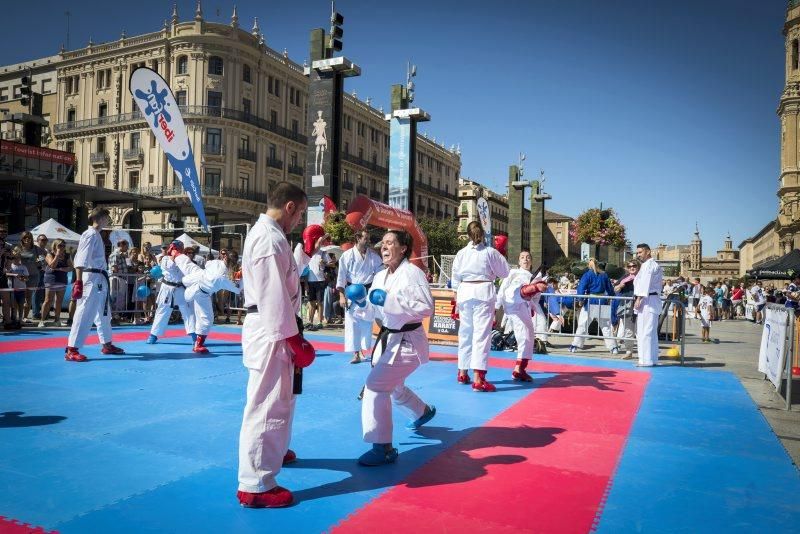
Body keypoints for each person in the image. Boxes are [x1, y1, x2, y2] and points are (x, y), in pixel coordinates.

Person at [237, 182, 316, 508]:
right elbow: (273, 296)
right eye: (298, 216)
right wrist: (293, 338)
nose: (297, 223)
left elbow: (286, 281)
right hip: (272, 328)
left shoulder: (272, 236)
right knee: (267, 404)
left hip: (274, 326)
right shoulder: (269, 239)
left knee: (281, 398)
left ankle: (277, 448)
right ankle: (255, 484)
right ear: (290, 208)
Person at [357, 229, 436, 466]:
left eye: (390, 243)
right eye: (383, 243)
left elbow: (426, 307)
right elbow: (373, 310)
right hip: (389, 340)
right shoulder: (381, 276)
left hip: (408, 342)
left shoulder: (412, 273)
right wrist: (362, 302)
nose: (384, 246)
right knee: (393, 386)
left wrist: (390, 301)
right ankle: (422, 412)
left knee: (375, 386)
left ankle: (383, 447)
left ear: (403, 249)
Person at [451, 221, 510, 391]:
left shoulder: (461, 253)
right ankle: (479, 378)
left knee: (466, 333)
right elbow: (504, 272)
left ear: (467, 235)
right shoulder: (490, 252)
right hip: (483, 292)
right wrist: (501, 252)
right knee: (481, 335)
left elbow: (455, 279)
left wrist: (456, 300)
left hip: (464, 293)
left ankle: (462, 372)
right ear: (482, 234)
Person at [65, 208, 126, 362]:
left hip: (99, 278)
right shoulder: (90, 234)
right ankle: (72, 349)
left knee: (104, 313)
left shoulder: (97, 234)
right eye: (107, 218)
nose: (109, 221)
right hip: (91, 277)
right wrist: (78, 281)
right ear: (100, 218)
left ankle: (107, 344)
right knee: (85, 312)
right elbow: (81, 259)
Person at [169, 252, 240, 353]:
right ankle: (198, 344)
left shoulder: (215, 262)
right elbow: (235, 289)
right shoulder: (222, 277)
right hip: (201, 293)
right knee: (207, 318)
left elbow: (207, 264)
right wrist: (240, 286)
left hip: (197, 278)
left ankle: (177, 254)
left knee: (190, 267)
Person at [496, 250, 548, 381]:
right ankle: (519, 370)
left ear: (531, 261)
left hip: (524, 305)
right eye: (522, 258)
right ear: (519, 261)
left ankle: (521, 368)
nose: (525, 259)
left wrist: (532, 307)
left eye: (528, 257)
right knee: (523, 334)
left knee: (528, 334)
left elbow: (535, 299)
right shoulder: (513, 272)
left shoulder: (536, 278)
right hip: (512, 301)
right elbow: (502, 290)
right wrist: (496, 308)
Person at [337, 230, 384, 364]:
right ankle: (356, 353)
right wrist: (341, 295)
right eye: (366, 238)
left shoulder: (373, 256)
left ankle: (363, 351)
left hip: (368, 292)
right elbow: (341, 277)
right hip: (352, 293)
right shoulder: (346, 256)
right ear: (357, 238)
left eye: (369, 238)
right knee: (352, 323)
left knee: (366, 323)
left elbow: (380, 273)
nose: (368, 241)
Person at [146, 240, 196, 345]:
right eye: (175, 248)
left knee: (188, 311)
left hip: (181, 288)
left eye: (178, 248)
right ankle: (153, 335)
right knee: (162, 311)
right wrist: (173, 256)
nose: (177, 250)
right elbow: (169, 267)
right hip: (167, 288)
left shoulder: (184, 259)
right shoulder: (164, 259)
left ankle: (194, 335)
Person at [568, 258, 618, 354]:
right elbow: (610, 289)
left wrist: (580, 300)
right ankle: (613, 347)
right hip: (602, 301)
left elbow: (581, 288)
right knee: (606, 326)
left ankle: (575, 345)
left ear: (588, 265)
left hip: (590, 302)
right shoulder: (604, 275)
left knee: (583, 324)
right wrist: (611, 297)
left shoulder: (587, 275)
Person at [633, 243, 664, 367]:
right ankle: (652, 358)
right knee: (650, 332)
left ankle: (646, 360)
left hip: (647, 300)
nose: (638, 255)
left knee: (644, 331)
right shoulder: (649, 265)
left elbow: (645, 283)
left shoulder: (649, 265)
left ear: (648, 252)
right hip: (650, 300)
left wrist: (639, 298)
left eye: (640, 252)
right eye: (638, 252)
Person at [39, 238, 72, 327]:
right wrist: (57, 255)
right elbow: (52, 265)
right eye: (60, 245)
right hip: (51, 279)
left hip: (62, 280)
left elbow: (71, 267)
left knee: (59, 301)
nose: (62, 247)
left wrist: (63, 269)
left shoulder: (67, 255)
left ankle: (57, 320)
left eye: (63, 245)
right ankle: (42, 320)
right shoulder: (50, 254)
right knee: (48, 300)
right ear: (55, 246)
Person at [609, 259, 639, 356]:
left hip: (640, 304)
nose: (632, 268)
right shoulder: (625, 277)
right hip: (626, 304)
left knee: (640, 330)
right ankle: (629, 351)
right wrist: (621, 285)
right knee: (628, 329)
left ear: (638, 267)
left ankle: (644, 351)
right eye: (629, 266)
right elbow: (615, 288)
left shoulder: (642, 277)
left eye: (634, 266)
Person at [17, 231, 46, 323]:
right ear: (22, 239)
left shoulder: (36, 249)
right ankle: (19, 316)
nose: (27, 239)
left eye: (29, 238)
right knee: (20, 297)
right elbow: (13, 259)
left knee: (28, 297)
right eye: (25, 237)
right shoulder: (18, 248)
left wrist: (40, 263)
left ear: (31, 239)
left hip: (33, 276)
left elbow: (44, 258)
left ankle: (25, 317)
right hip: (20, 275)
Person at [304, 236, 330, 331]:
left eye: (319, 241)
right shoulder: (309, 253)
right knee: (311, 302)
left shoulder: (323, 252)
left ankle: (319, 322)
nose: (317, 243)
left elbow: (331, 263)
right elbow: (306, 269)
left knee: (319, 302)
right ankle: (310, 321)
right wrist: (306, 283)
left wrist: (324, 263)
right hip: (310, 281)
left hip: (320, 280)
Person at [6, 248, 28, 323]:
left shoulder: (23, 267)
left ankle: (20, 318)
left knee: (21, 305)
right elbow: (6, 274)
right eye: (14, 258)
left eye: (18, 257)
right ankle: (14, 318)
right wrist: (14, 274)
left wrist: (22, 278)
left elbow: (26, 277)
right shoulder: (10, 266)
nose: (16, 259)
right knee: (13, 305)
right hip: (12, 289)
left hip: (21, 289)